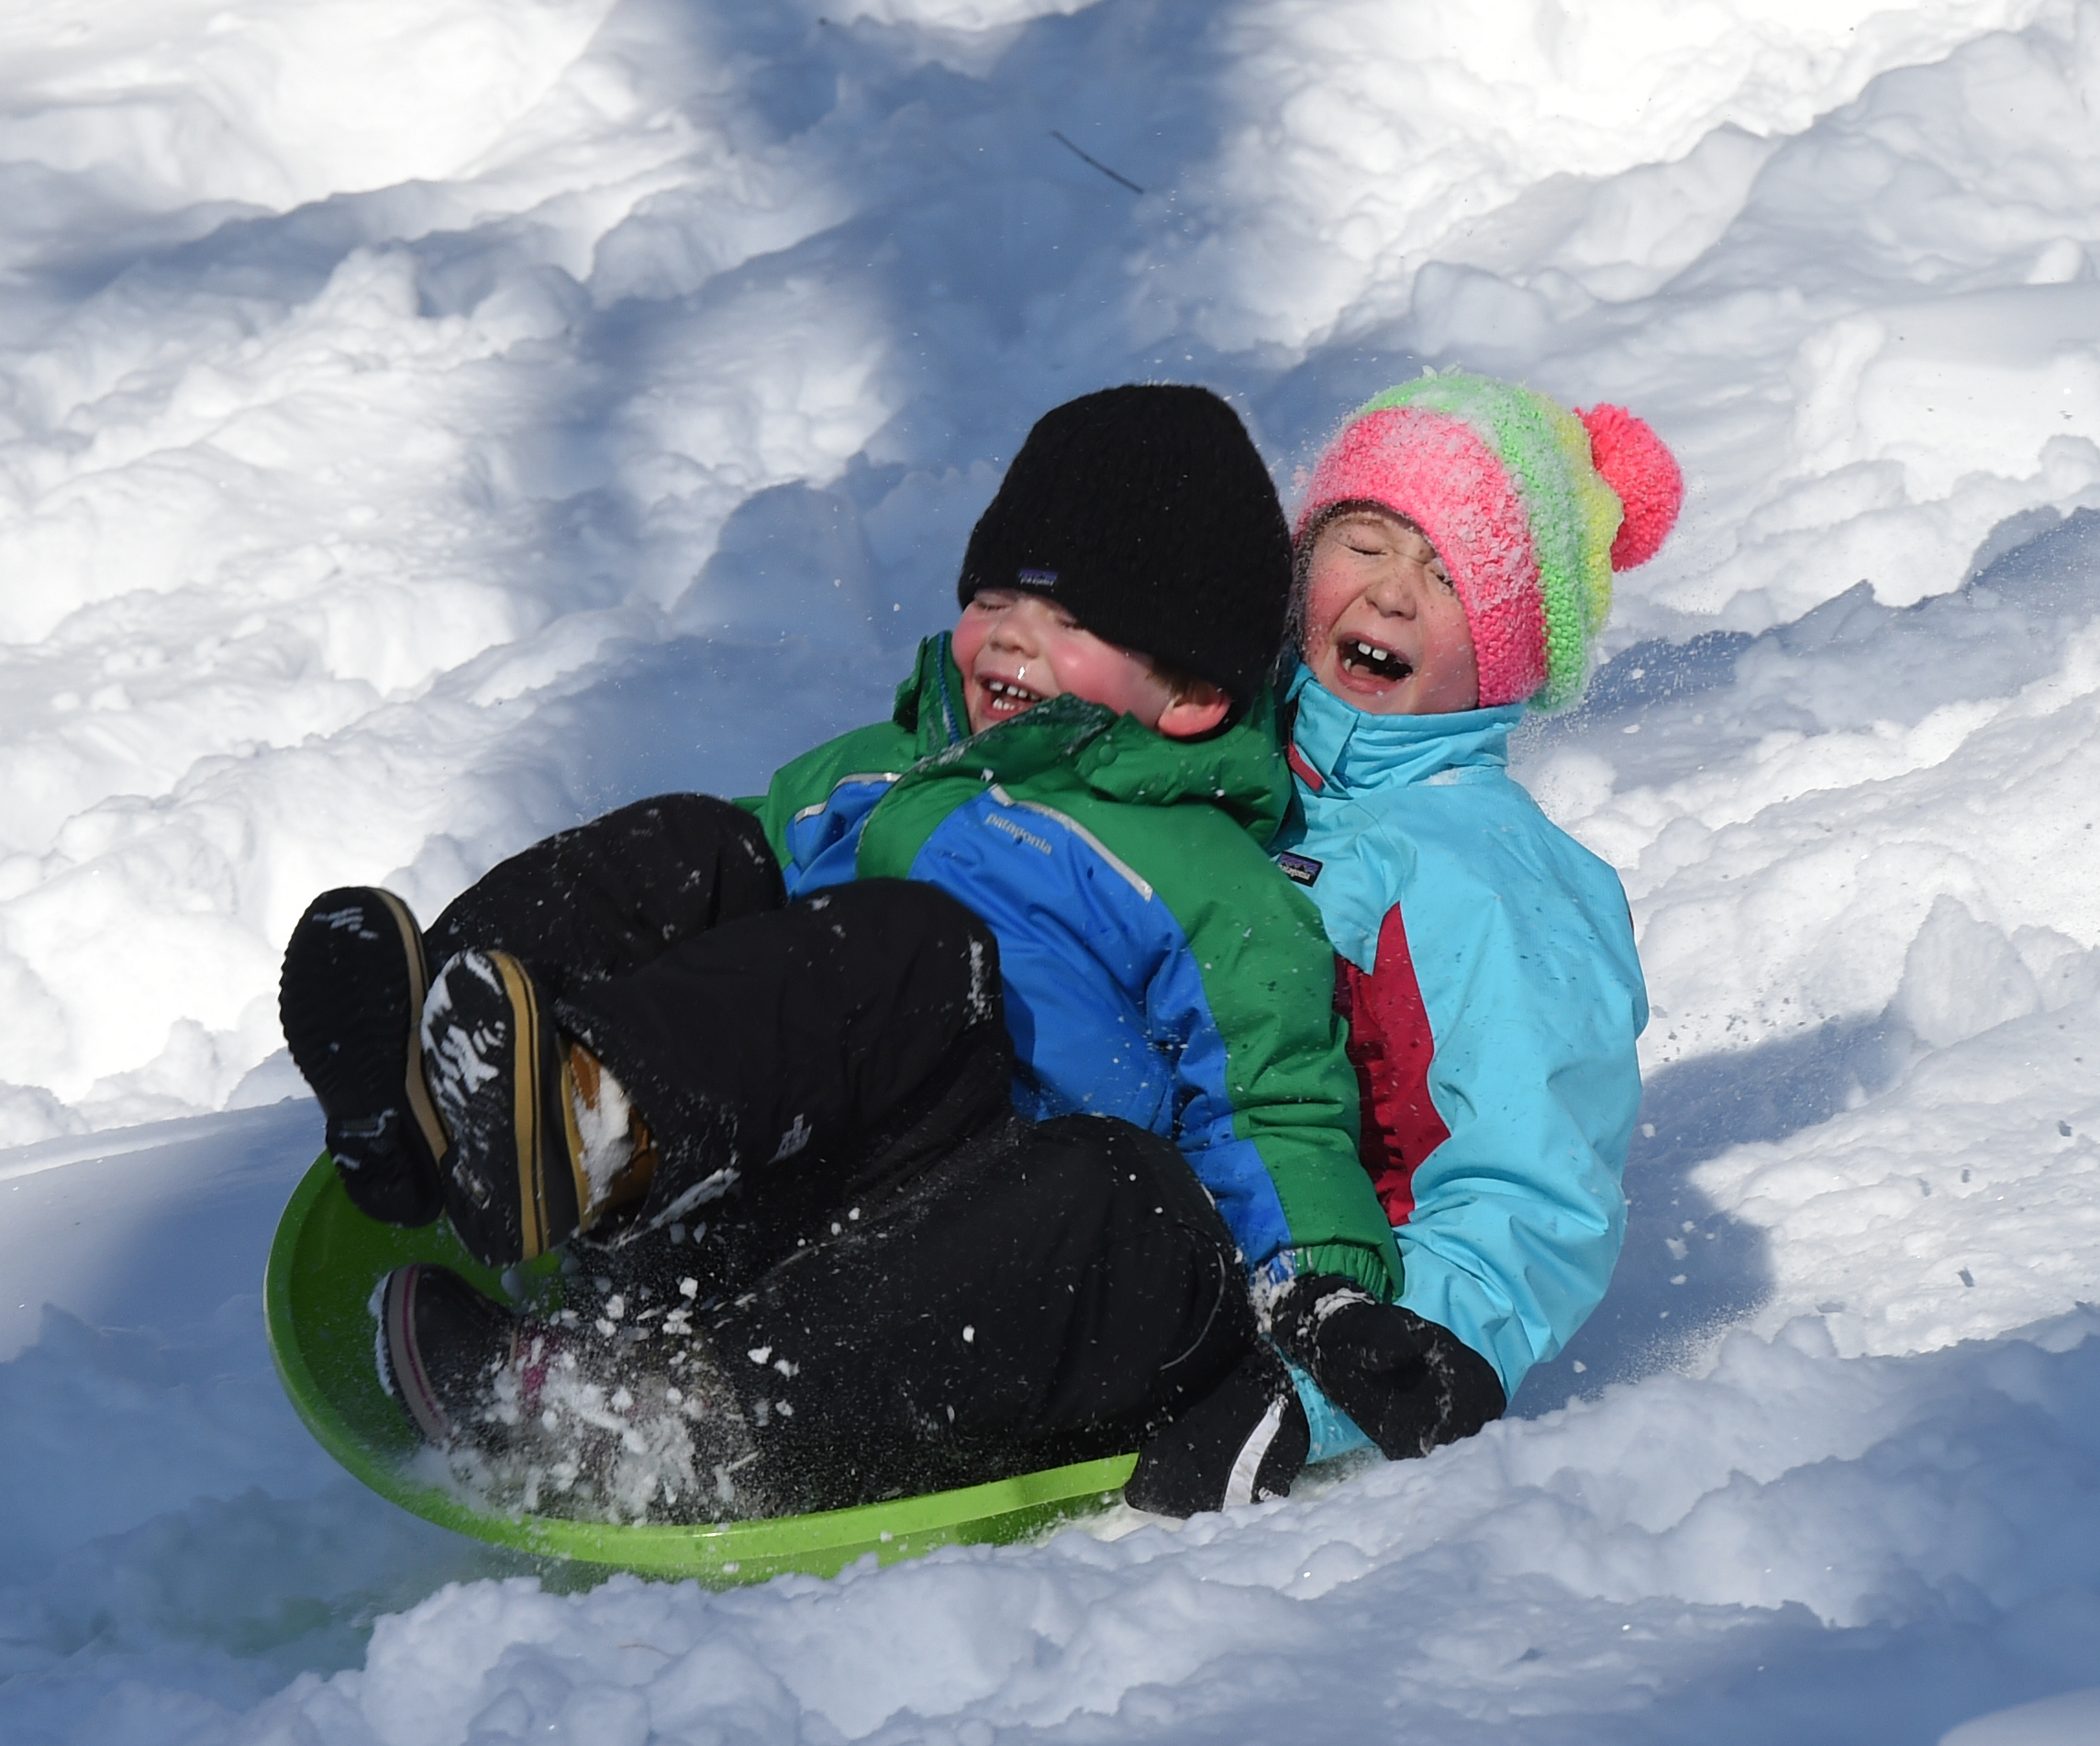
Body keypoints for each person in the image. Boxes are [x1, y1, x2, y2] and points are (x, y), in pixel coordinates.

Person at [276, 384, 1403, 1524]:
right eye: (996, 597)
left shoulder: (1215, 880)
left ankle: (650, 1399)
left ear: (1198, 696)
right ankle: (453, 1075)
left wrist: (1322, 1322)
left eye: (1076, 622)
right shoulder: (873, 770)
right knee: (702, 844)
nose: (1012, 634)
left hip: (957, 1271)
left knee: (1064, 1116)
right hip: (727, 1191)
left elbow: (1268, 1115)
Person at [1264, 370, 1677, 1467]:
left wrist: (1346, 1384)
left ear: (1502, 652)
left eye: (1450, 575)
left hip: (1312, 1313)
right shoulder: (1216, 757)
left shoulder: (1487, 874)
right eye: (1364, 540)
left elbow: (1531, 1190)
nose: (1392, 593)